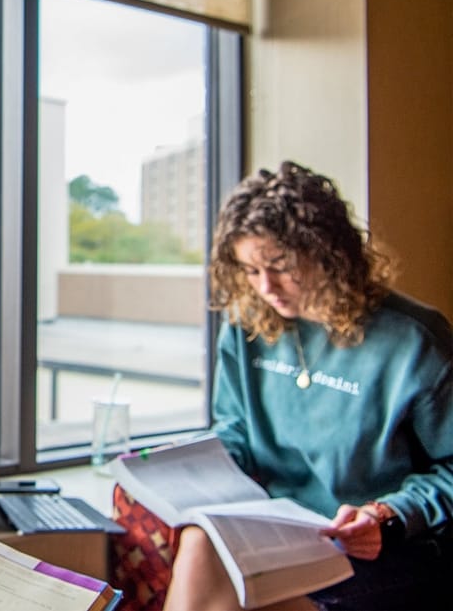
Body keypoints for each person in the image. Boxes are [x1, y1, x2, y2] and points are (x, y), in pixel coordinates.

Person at [164, 161, 453, 611]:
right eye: (250, 270)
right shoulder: (246, 326)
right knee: (199, 542)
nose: (266, 287)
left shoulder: (413, 340)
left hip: (376, 546)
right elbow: (235, 432)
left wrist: (388, 515)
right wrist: (191, 472)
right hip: (282, 535)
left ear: (328, 251)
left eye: (279, 266)